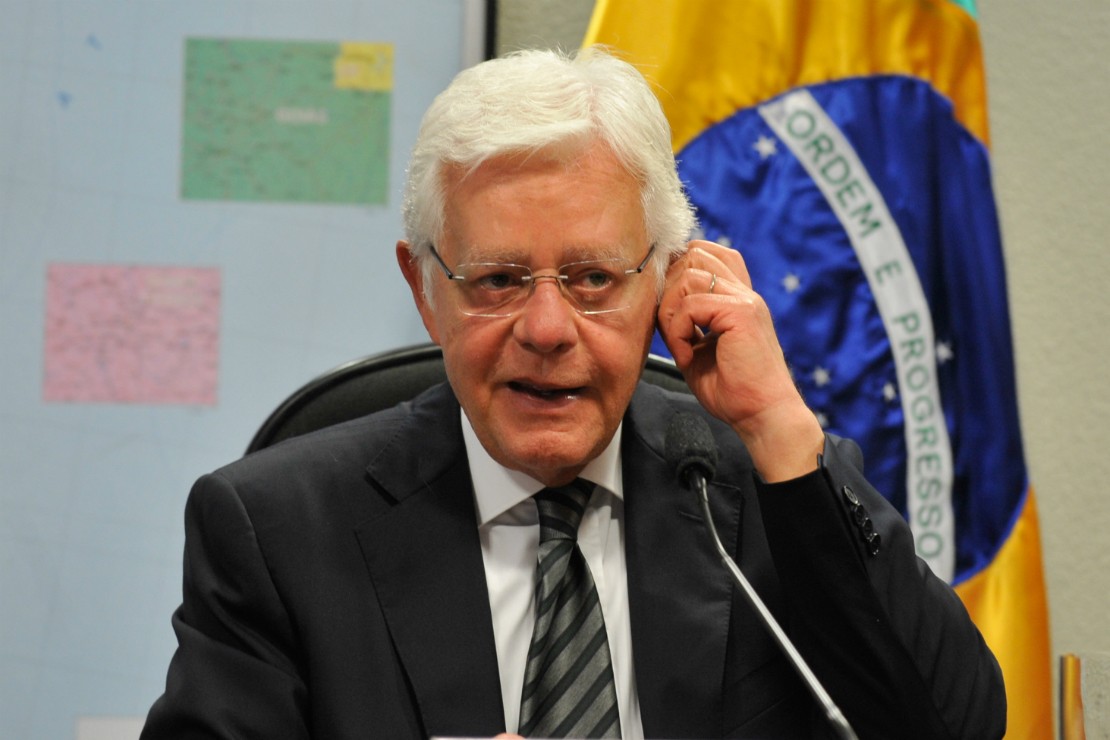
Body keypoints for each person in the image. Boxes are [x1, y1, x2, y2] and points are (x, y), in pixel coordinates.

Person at [141, 47, 1005, 739]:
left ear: (664, 280)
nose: (549, 328)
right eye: (498, 279)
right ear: (425, 290)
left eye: (594, 277)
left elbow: (954, 726)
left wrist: (780, 425)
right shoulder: (278, 533)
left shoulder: (764, 490)